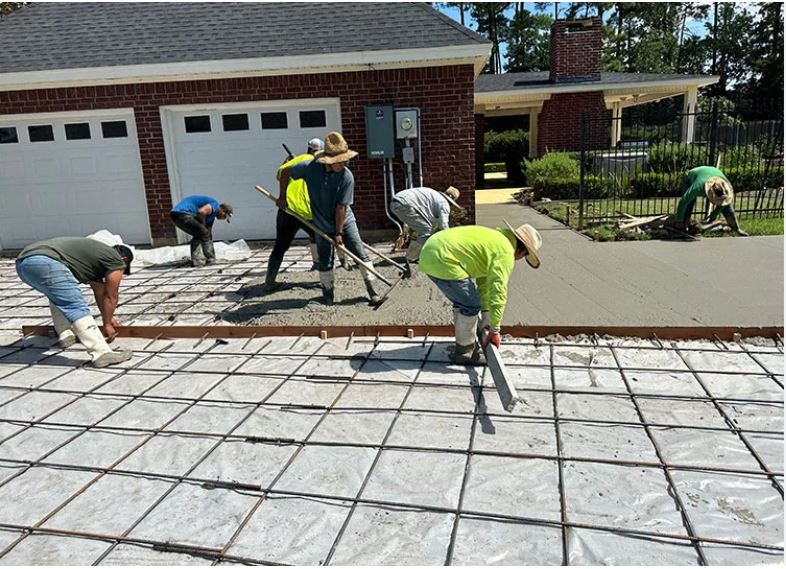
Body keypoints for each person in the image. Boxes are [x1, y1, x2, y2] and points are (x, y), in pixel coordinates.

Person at [278, 131, 382, 305]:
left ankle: (373, 291)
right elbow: (285, 173)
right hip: (321, 222)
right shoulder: (310, 168)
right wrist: (282, 197)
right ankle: (328, 295)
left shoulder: (346, 176)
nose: (344, 163)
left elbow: (341, 207)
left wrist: (339, 233)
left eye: (345, 160)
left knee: (358, 252)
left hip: (345, 221)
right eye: (339, 161)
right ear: (328, 160)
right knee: (325, 259)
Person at [420, 221, 542, 365]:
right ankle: (465, 352)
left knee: (465, 302)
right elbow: (499, 291)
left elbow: (484, 284)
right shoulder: (505, 252)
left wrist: (486, 318)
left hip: (432, 251)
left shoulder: (496, 240)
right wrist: (495, 330)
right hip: (442, 258)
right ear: (522, 251)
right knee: (471, 304)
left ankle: (464, 342)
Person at [15, 237, 135, 368]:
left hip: (23, 264)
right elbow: (111, 295)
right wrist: (106, 324)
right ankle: (102, 353)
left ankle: (66, 335)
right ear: (124, 260)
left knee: (58, 295)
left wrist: (108, 318)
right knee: (75, 306)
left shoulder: (94, 257)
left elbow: (100, 292)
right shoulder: (115, 259)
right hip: (47, 261)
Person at [264, 138, 323, 292]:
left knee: (280, 246)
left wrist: (282, 196)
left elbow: (280, 175)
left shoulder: (296, 161)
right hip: (307, 211)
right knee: (322, 241)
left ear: (308, 149)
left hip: (287, 210)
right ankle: (324, 276)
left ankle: (270, 281)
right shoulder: (319, 163)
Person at [390, 185, 463, 261]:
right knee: (426, 231)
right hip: (405, 205)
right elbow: (443, 225)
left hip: (395, 203)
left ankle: (414, 255)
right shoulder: (444, 204)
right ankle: (411, 257)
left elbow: (427, 218)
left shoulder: (434, 196)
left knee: (425, 228)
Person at [672, 166, 748, 236]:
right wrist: (679, 220)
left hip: (714, 173)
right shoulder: (698, 186)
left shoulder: (725, 185)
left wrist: (713, 216)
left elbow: (724, 203)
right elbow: (683, 201)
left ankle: (737, 228)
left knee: (728, 208)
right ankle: (684, 227)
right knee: (689, 204)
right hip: (694, 174)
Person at [170, 195, 234, 266]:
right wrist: (203, 224)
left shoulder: (211, 216)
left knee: (200, 234)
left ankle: (197, 261)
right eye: (224, 216)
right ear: (223, 211)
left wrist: (206, 233)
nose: (223, 219)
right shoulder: (214, 205)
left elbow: (208, 233)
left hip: (175, 215)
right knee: (203, 233)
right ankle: (210, 259)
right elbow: (201, 212)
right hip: (183, 213)